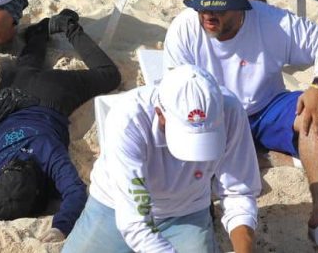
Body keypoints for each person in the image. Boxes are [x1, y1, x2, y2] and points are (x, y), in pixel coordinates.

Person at [163, 0, 318, 252]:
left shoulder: (270, 21)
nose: (209, 15)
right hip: (215, 115)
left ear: (241, 7)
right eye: (203, 8)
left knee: (316, 119)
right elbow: (176, 92)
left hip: (266, 106)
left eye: (219, 9)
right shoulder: (183, 29)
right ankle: (260, 158)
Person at [62, 63, 260, 253]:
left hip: (187, 210)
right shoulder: (129, 119)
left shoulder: (231, 111)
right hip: (114, 206)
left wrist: (245, 249)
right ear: (160, 113)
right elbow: (135, 222)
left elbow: (239, 193)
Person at [0, 10, 121, 243]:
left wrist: (60, 228)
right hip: (12, 92)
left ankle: (68, 26)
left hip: (48, 96)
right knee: (27, 66)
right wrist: (60, 226)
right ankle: (39, 33)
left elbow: (76, 192)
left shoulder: (46, 150)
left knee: (109, 75)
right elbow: (73, 193)